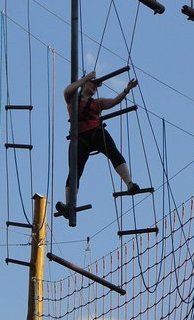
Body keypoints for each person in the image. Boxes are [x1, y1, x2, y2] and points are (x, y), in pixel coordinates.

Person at [56, 71, 140, 217]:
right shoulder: (72, 100)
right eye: (92, 85)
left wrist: (126, 90)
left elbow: (114, 102)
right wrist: (86, 78)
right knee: (75, 170)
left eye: (96, 87)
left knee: (114, 153)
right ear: (84, 84)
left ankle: (129, 183)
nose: (94, 88)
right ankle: (69, 205)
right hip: (79, 137)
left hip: (96, 132)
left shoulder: (97, 103)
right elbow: (67, 90)